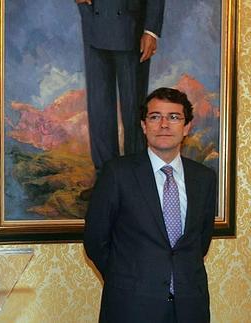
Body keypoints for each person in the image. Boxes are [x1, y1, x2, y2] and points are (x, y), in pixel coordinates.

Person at [84, 88, 217, 323]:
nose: (164, 124)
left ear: (187, 127)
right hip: (131, 306)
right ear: (144, 126)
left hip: (190, 307)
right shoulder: (117, 173)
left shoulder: (204, 178)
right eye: (155, 117)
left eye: (174, 117)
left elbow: (200, 242)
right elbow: (96, 241)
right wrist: (126, 278)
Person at [76, 0, 165, 174]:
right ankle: (105, 176)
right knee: (99, 109)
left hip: (131, 24)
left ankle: (136, 177)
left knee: (132, 109)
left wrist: (151, 30)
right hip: (94, 19)